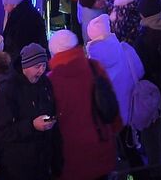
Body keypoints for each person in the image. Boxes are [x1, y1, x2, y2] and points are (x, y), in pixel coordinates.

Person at [45, 28, 119, 180]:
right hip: (101, 146)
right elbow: (110, 105)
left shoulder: (50, 81)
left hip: (69, 155)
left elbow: (49, 121)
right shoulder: (94, 68)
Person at [0, 42, 57, 180]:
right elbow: (0, 130)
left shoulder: (44, 83)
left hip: (42, 162)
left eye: (44, 65)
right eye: (37, 66)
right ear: (25, 66)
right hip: (17, 167)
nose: (41, 70)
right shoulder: (8, 89)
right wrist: (31, 126)